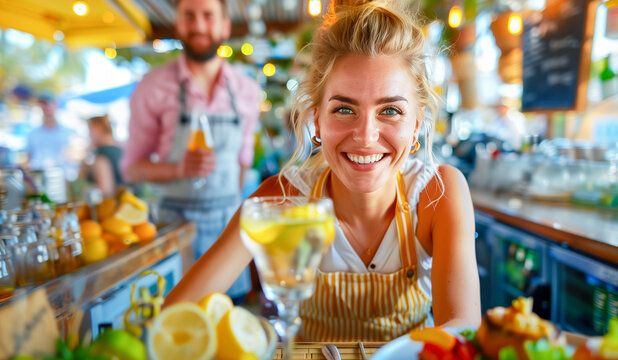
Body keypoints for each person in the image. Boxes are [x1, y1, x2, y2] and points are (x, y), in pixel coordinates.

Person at [166, 0, 480, 341]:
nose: (365, 136)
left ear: (416, 124)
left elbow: (460, 333)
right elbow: (175, 317)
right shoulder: (283, 198)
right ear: (316, 119)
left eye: (390, 110)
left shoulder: (439, 193)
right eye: (344, 109)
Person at [120, 0, 261, 302]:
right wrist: (178, 169)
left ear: (225, 26)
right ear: (178, 24)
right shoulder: (152, 86)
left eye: (208, 16)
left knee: (227, 331)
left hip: (228, 238)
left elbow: (242, 164)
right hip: (173, 237)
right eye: (189, 16)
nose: (198, 25)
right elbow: (131, 167)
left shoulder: (247, 90)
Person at [26, 93, 76, 176]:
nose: (46, 107)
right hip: (39, 179)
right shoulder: (32, 134)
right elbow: (29, 159)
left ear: (56, 105)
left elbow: (76, 159)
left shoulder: (69, 133)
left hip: (63, 180)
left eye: (49, 103)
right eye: (43, 104)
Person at [79, 115, 123, 197]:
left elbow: (105, 190)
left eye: (89, 131)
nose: (89, 136)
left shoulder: (101, 156)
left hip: (110, 206)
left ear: (97, 129)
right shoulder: (120, 150)